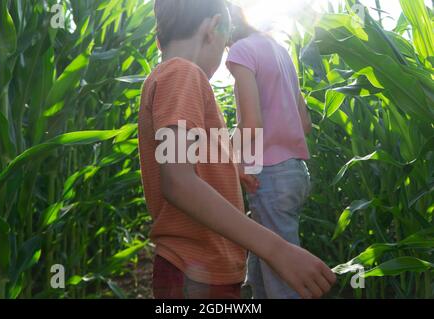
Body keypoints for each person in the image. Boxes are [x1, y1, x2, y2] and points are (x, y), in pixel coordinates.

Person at [138, 0, 335, 299]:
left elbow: (189, 162)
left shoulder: (173, 76)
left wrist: (230, 168)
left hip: (200, 270)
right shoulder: (182, 75)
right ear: (212, 28)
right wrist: (277, 250)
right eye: (225, 43)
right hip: (196, 272)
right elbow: (178, 181)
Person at [226, 3, 315, 299]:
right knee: (262, 274)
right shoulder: (279, 50)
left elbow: (251, 123)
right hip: (296, 173)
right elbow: (305, 124)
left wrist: (231, 155)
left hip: (270, 176)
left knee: (283, 281)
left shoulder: (240, 51)